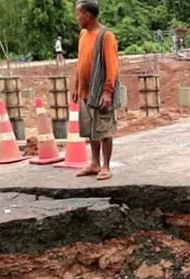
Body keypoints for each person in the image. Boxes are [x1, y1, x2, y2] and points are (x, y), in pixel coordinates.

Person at [71, 0, 120, 181]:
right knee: (91, 129)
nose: (77, 18)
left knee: (104, 129)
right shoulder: (83, 34)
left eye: (79, 14)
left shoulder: (106, 36)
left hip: (100, 92)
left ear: (87, 15)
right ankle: (94, 163)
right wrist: (76, 86)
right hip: (85, 91)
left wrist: (108, 91)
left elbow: (112, 66)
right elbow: (80, 62)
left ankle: (106, 165)